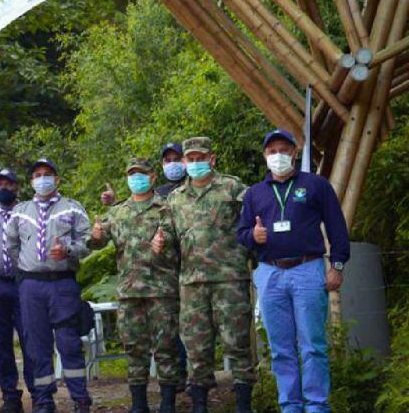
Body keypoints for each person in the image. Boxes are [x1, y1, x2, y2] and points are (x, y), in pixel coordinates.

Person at [237, 129, 350, 413]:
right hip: (269, 273)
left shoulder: (316, 185)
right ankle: (290, 405)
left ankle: (316, 406)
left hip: (308, 269)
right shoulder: (254, 193)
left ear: (294, 153)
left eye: (283, 150)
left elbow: (337, 228)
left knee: (312, 344)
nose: (278, 156)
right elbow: (241, 233)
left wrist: (336, 266)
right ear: (265, 155)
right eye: (272, 151)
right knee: (281, 348)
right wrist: (254, 236)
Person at [164, 137, 254, 413]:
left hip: (230, 280)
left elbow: (255, 219)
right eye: (189, 158)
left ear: (211, 159)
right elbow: (168, 232)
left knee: (237, 345)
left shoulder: (233, 187)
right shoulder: (175, 197)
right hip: (192, 283)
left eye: (199, 157)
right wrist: (160, 240)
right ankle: (199, 406)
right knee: (196, 349)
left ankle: (243, 406)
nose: (194, 163)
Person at [90, 159, 182, 413]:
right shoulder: (118, 212)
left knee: (166, 349)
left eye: (141, 174)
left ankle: (168, 403)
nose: (136, 178)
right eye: (132, 174)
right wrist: (96, 235)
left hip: (162, 291)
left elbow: (182, 242)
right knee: (134, 349)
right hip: (130, 292)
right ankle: (139, 404)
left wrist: (165, 245)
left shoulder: (167, 208)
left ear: (153, 177)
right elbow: (97, 240)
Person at [5, 159, 93, 413]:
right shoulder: (20, 211)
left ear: (57, 180)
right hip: (31, 286)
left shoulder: (73, 208)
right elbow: (11, 246)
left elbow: (87, 243)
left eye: (47, 174)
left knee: (69, 343)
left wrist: (67, 250)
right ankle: (43, 400)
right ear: (31, 181)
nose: (42, 179)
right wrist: (29, 263)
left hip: (62, 284)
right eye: (37, 175)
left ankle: (80, 399)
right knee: (37, 345)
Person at [0, 169, 34, 413]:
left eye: (9, 184)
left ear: (17, 187)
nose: (4, 187)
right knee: (0, 343)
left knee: (30, 340)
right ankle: (10, 395)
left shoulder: (29, 213)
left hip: (23, 282)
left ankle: (39, 393)